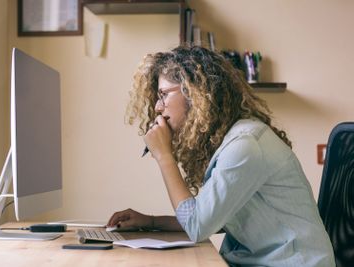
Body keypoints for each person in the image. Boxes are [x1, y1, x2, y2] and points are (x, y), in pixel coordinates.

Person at [107, 46, 335, 266]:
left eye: (164, 94)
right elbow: (213, 218)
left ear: (193, 92)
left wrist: (164, 156)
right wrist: (151, 222)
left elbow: (197, 226)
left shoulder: (245, 146)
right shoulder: (231, 142)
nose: (158, 107)